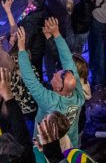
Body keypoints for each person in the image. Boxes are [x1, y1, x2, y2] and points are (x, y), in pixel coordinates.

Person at [16, 18, 86, 147]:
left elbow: (30, 80)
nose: (54, 74)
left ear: (59, 88)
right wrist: (56, 34)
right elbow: (68, 61)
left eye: (56, 76)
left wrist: (21, 49)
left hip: (48, 150)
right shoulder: (78, 94)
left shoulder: (51, 102)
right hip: (72, 147)